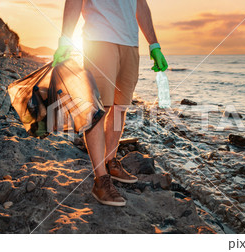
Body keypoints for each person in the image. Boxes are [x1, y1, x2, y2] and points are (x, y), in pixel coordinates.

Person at [53, 0, 168, 207]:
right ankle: (101, 180)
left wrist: (154, 43)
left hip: (130, 43)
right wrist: (65, 37)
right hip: (99, 38)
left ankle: (111, 161)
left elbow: (140, 4)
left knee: (120, 107)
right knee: (99, 109)